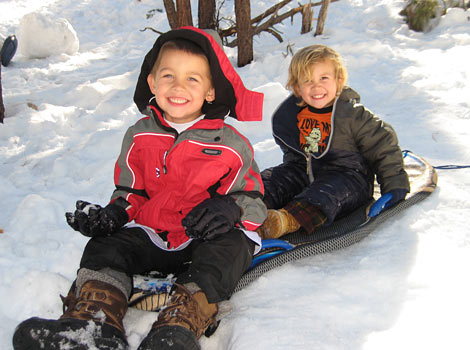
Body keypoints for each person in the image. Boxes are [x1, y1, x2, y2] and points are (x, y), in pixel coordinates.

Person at [13, 27, 266, 350]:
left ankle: (179, 324)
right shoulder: (139, 136)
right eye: (168, 76)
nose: (178, 86)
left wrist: (231, 208)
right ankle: (93, 323)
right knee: (105, 246)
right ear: (151, 82)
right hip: (154, 233)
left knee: (228, 250)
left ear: (211, 91)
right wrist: (114, 214)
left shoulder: (231, 145)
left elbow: (255, 199)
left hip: (203, 238)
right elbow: (131, 192)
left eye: (193, 79)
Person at [257, 44, 409, 239]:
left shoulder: (352, 115)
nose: (316, 86)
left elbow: (382, 144)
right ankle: (245, 209)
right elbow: (293, 156)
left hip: (349, 177)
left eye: (324, 78)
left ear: (339, 80)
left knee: (326, 194)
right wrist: (283, 181)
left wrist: (394, 183)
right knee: (267, 182)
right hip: (304, 171)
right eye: (307, 80)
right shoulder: (290, 115)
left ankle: (285, 221)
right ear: (297, 87)